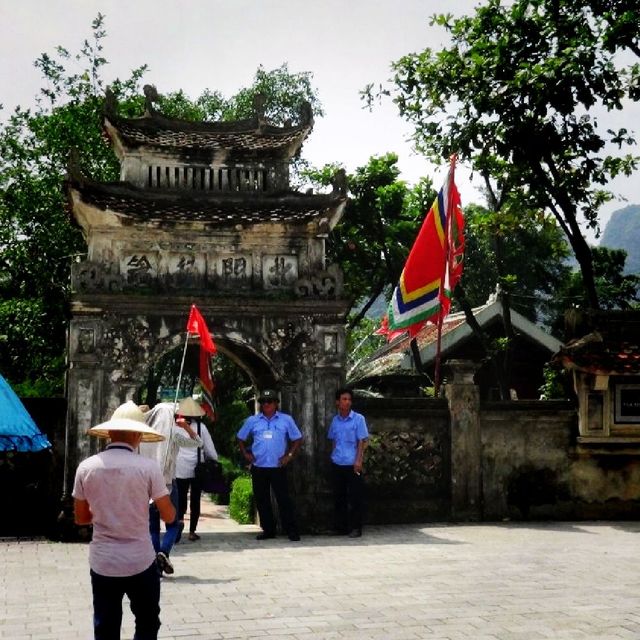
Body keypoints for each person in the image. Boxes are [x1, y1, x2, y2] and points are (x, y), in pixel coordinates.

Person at [73, 400, 176, 640]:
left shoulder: (86, 467)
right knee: (148, 621)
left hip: (103, 561)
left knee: (106, 626)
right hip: (140, 559)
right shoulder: (148, 468)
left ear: (110, 432)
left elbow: (80, 518)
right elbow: (169, 515)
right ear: (139, 435)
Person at [139, 402, 202, 575]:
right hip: (167, 484)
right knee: (173, 524)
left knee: (152, 528)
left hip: (146, 486)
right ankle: (164, 552)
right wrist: (186, 427)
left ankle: (156, 566)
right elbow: (198, 443)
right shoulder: (174, 435)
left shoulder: (142, 435)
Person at [237, 389, 303, 541]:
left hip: (278, 467)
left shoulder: (286, 420)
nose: (266, 404)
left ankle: (291, 530)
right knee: (262, 500)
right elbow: (240, 437)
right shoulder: (252, 421)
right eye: (263, 402)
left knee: (284, 499)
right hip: (259, 466)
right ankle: (268, 530)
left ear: (276, 404)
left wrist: (289, 455)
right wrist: (246, 454)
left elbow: (297, 438)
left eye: (269, 401)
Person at [175, 396, 218, 542]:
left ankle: (179, 520)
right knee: (195, 500)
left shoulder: (174, 427)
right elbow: (209, 449)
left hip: (179, 468)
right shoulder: (201, 427)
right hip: (197, 469)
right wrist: (214, 460)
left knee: (180, 498)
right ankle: (192, 531)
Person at [327, 387, 369, 538]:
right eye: (344, 399)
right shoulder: (335, 420)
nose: (347, 402)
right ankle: (340, 527)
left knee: (355, 497)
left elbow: (362, 442)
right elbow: (333, 440)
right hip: (338, 462)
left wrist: (358, 461)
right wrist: (333, 456)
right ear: (337, 402)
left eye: (349, 399)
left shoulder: (358, 419)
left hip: (352, 464)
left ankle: (356, 527)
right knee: (339, 497)